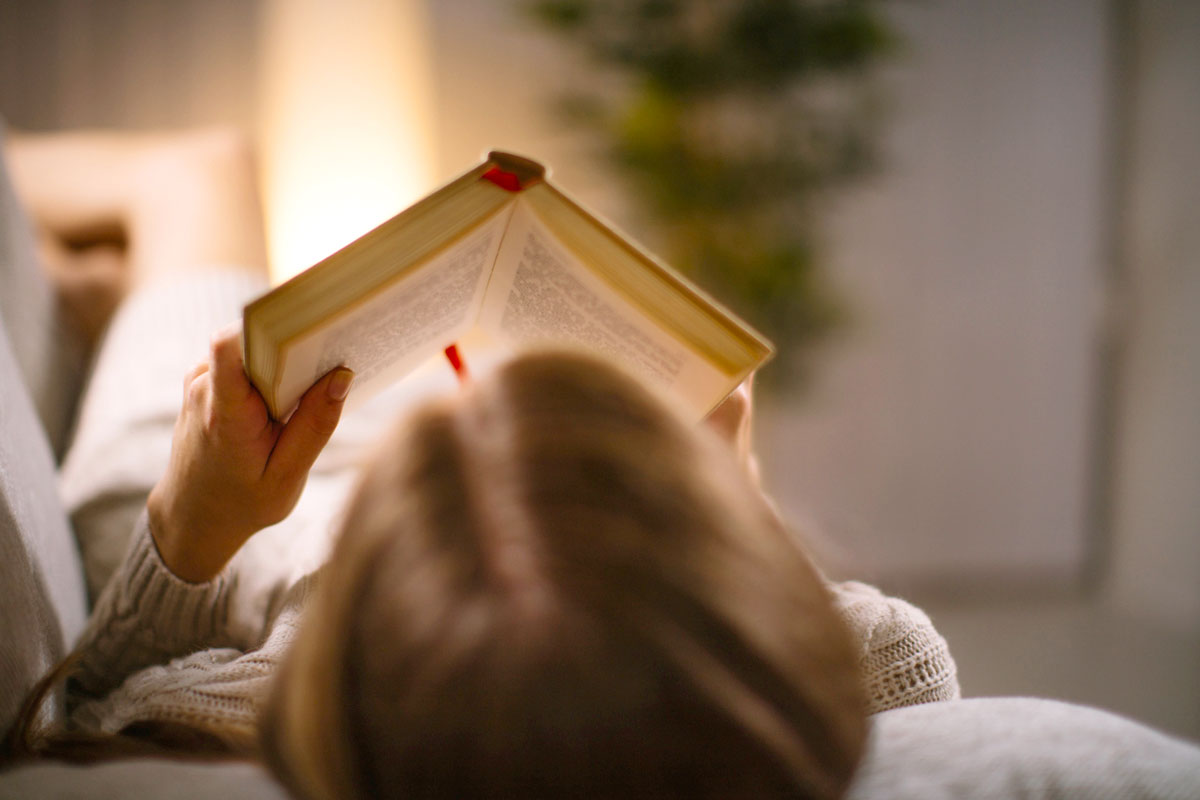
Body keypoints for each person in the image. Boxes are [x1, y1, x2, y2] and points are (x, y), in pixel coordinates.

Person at [2, 129, 958, 799]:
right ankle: (95, 297)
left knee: (199, 169)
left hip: (214, 501)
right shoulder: (849, 672)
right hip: (309, 477)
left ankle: (87, 298)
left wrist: (196, 516)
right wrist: (729, 515)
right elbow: (902, 663)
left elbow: (89, 707)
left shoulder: (264, 698)